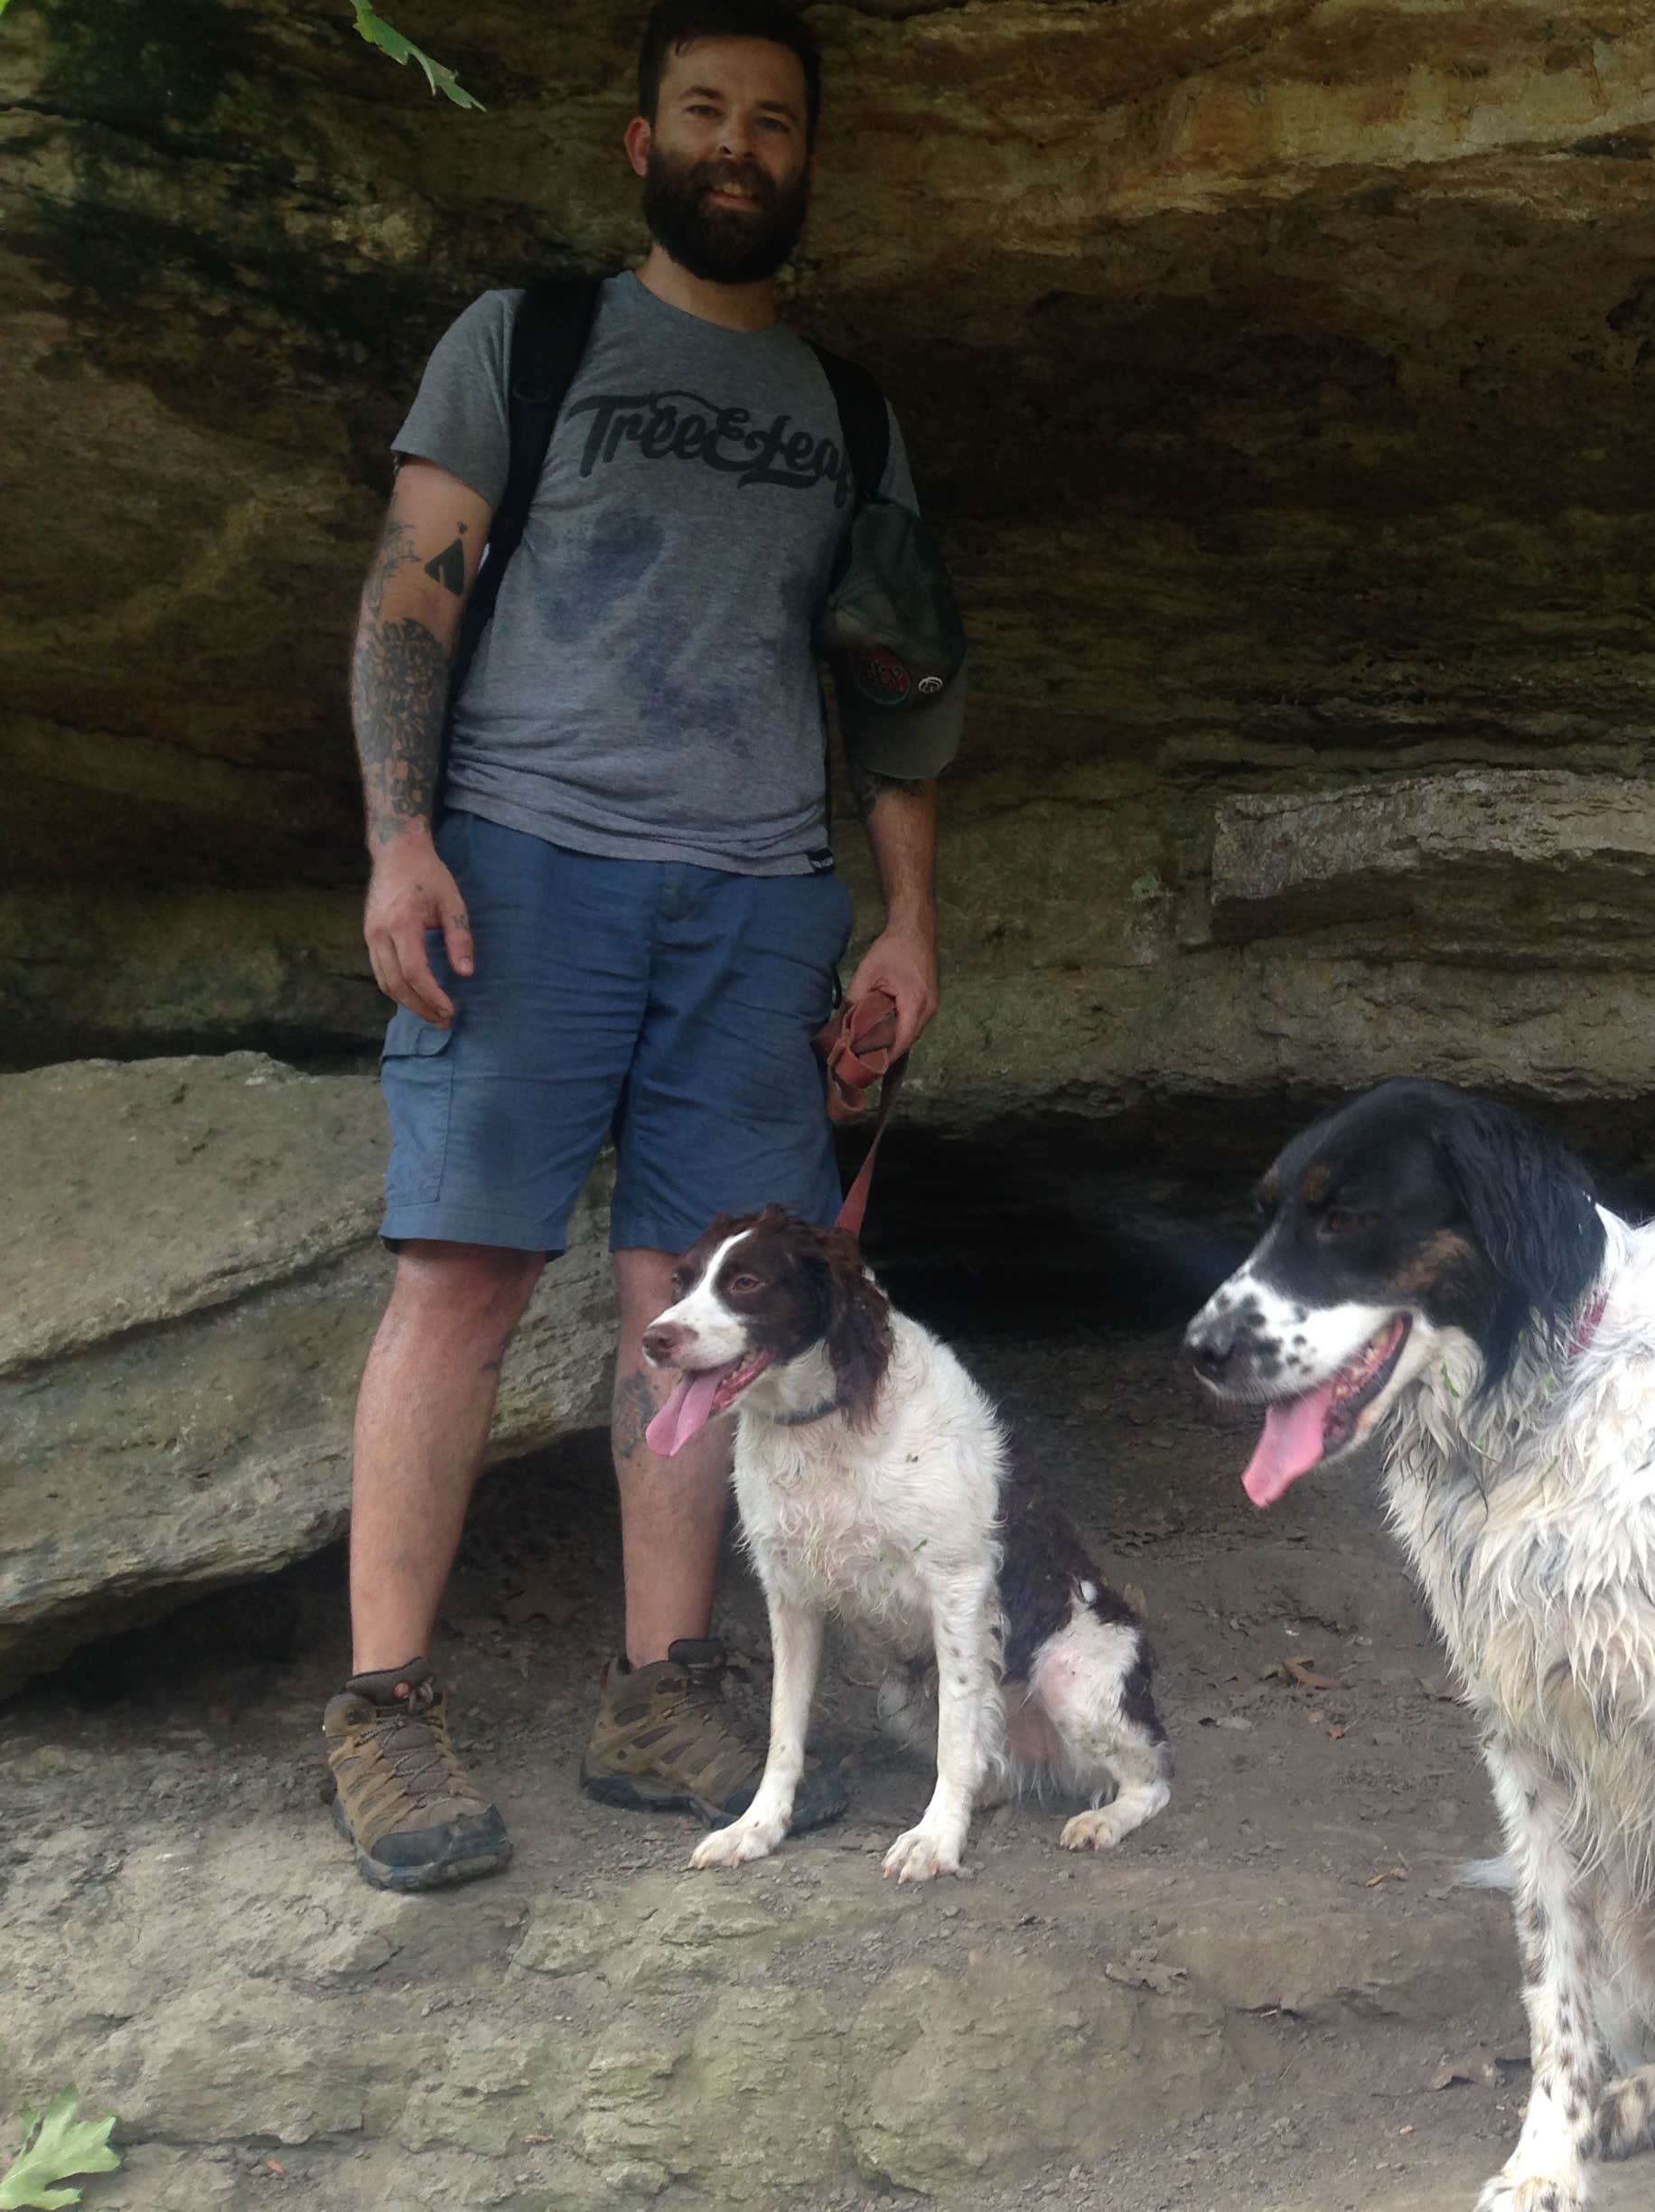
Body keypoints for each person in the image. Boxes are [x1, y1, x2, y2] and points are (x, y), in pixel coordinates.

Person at [322, 0, 949, 1891]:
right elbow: (414, 585)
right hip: (526, 865)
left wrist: (908, 913)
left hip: (758, 892)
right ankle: (384, 1708)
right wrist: (402, 836)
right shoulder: (533, 343)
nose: (737, 147)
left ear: (804, 160)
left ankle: (661, 1688)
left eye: (772, 122)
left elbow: (899, 681)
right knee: (463, 1275)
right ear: (640, 143)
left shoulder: (849, 416)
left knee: (698, 1298)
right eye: (704, 112)